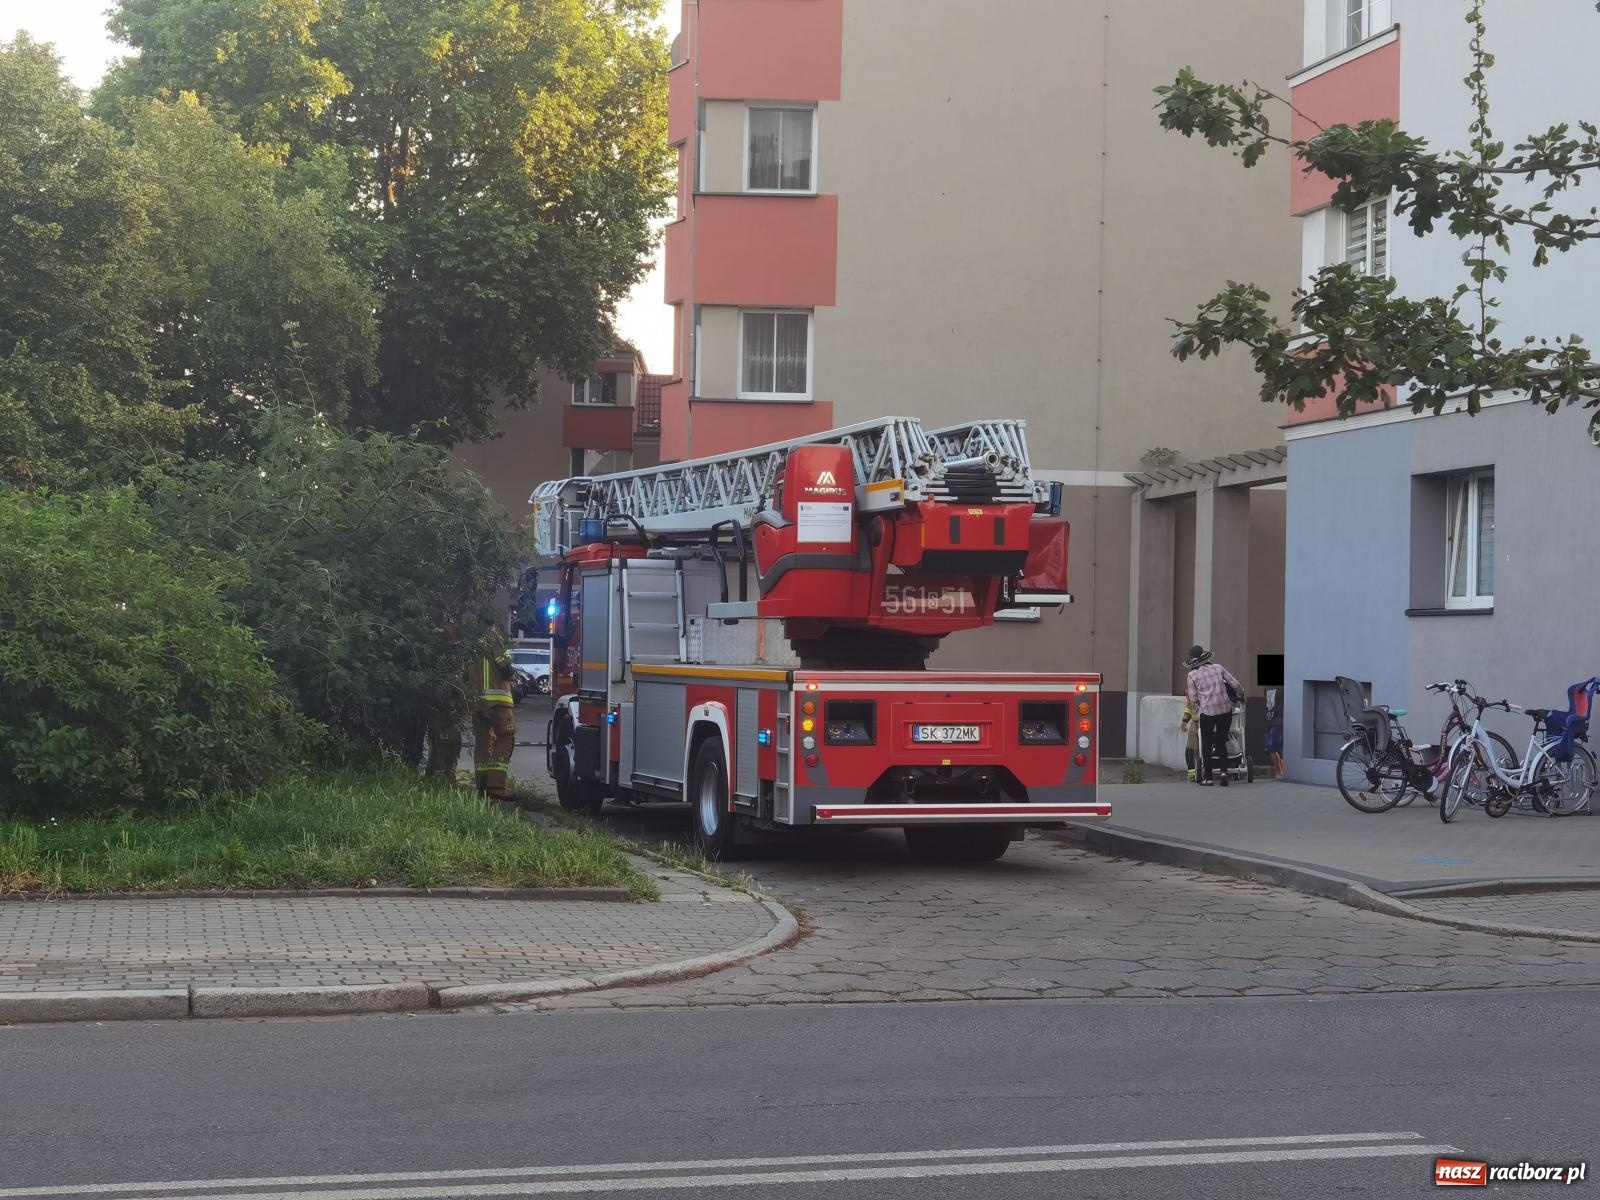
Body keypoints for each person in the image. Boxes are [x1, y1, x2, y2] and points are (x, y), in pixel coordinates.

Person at [467, 619, 518, 799]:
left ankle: (481, 785)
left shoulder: (471, 642)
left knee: (483, 741)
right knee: (505, 737)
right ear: (493, 624)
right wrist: (514, 675)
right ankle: (496, 787)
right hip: (498, 701)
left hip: (478, 702)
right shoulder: (492, 639)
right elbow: (505, 667)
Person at [1184, 644, 1243, 787]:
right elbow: (1235, 684)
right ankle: (1223, 772)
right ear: (1205, 656)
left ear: (1192, 661)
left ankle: (1208, 778)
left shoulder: (1192, 675)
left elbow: (1193, 699)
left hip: (1208, 713)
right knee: (1221, 742)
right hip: (1225, 710)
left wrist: (1199, 705)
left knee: (1207, 744)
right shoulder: (1218, 668)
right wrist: (1242, 695)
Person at [1179, 702, 1200, 782]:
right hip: (1195, 727)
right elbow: (1188, 709)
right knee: (1189, 751)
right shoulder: (1193, 694)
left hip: (1209, 724)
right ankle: (1191, 774)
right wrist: (1184, 721)